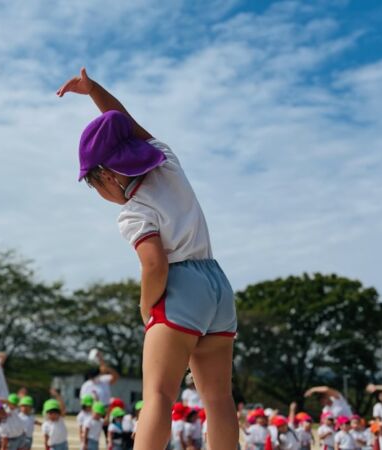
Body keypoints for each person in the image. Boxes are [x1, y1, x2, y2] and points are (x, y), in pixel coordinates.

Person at [57, 68, 238, 450]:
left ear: (106, 177)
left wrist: (146, 306)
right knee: (219, 399)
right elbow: (125, 125)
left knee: (158, 396)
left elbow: (154, 263)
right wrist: (94, 91)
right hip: (218, 286)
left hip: (180, 286)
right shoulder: (168, 162)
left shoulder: (135, 210)